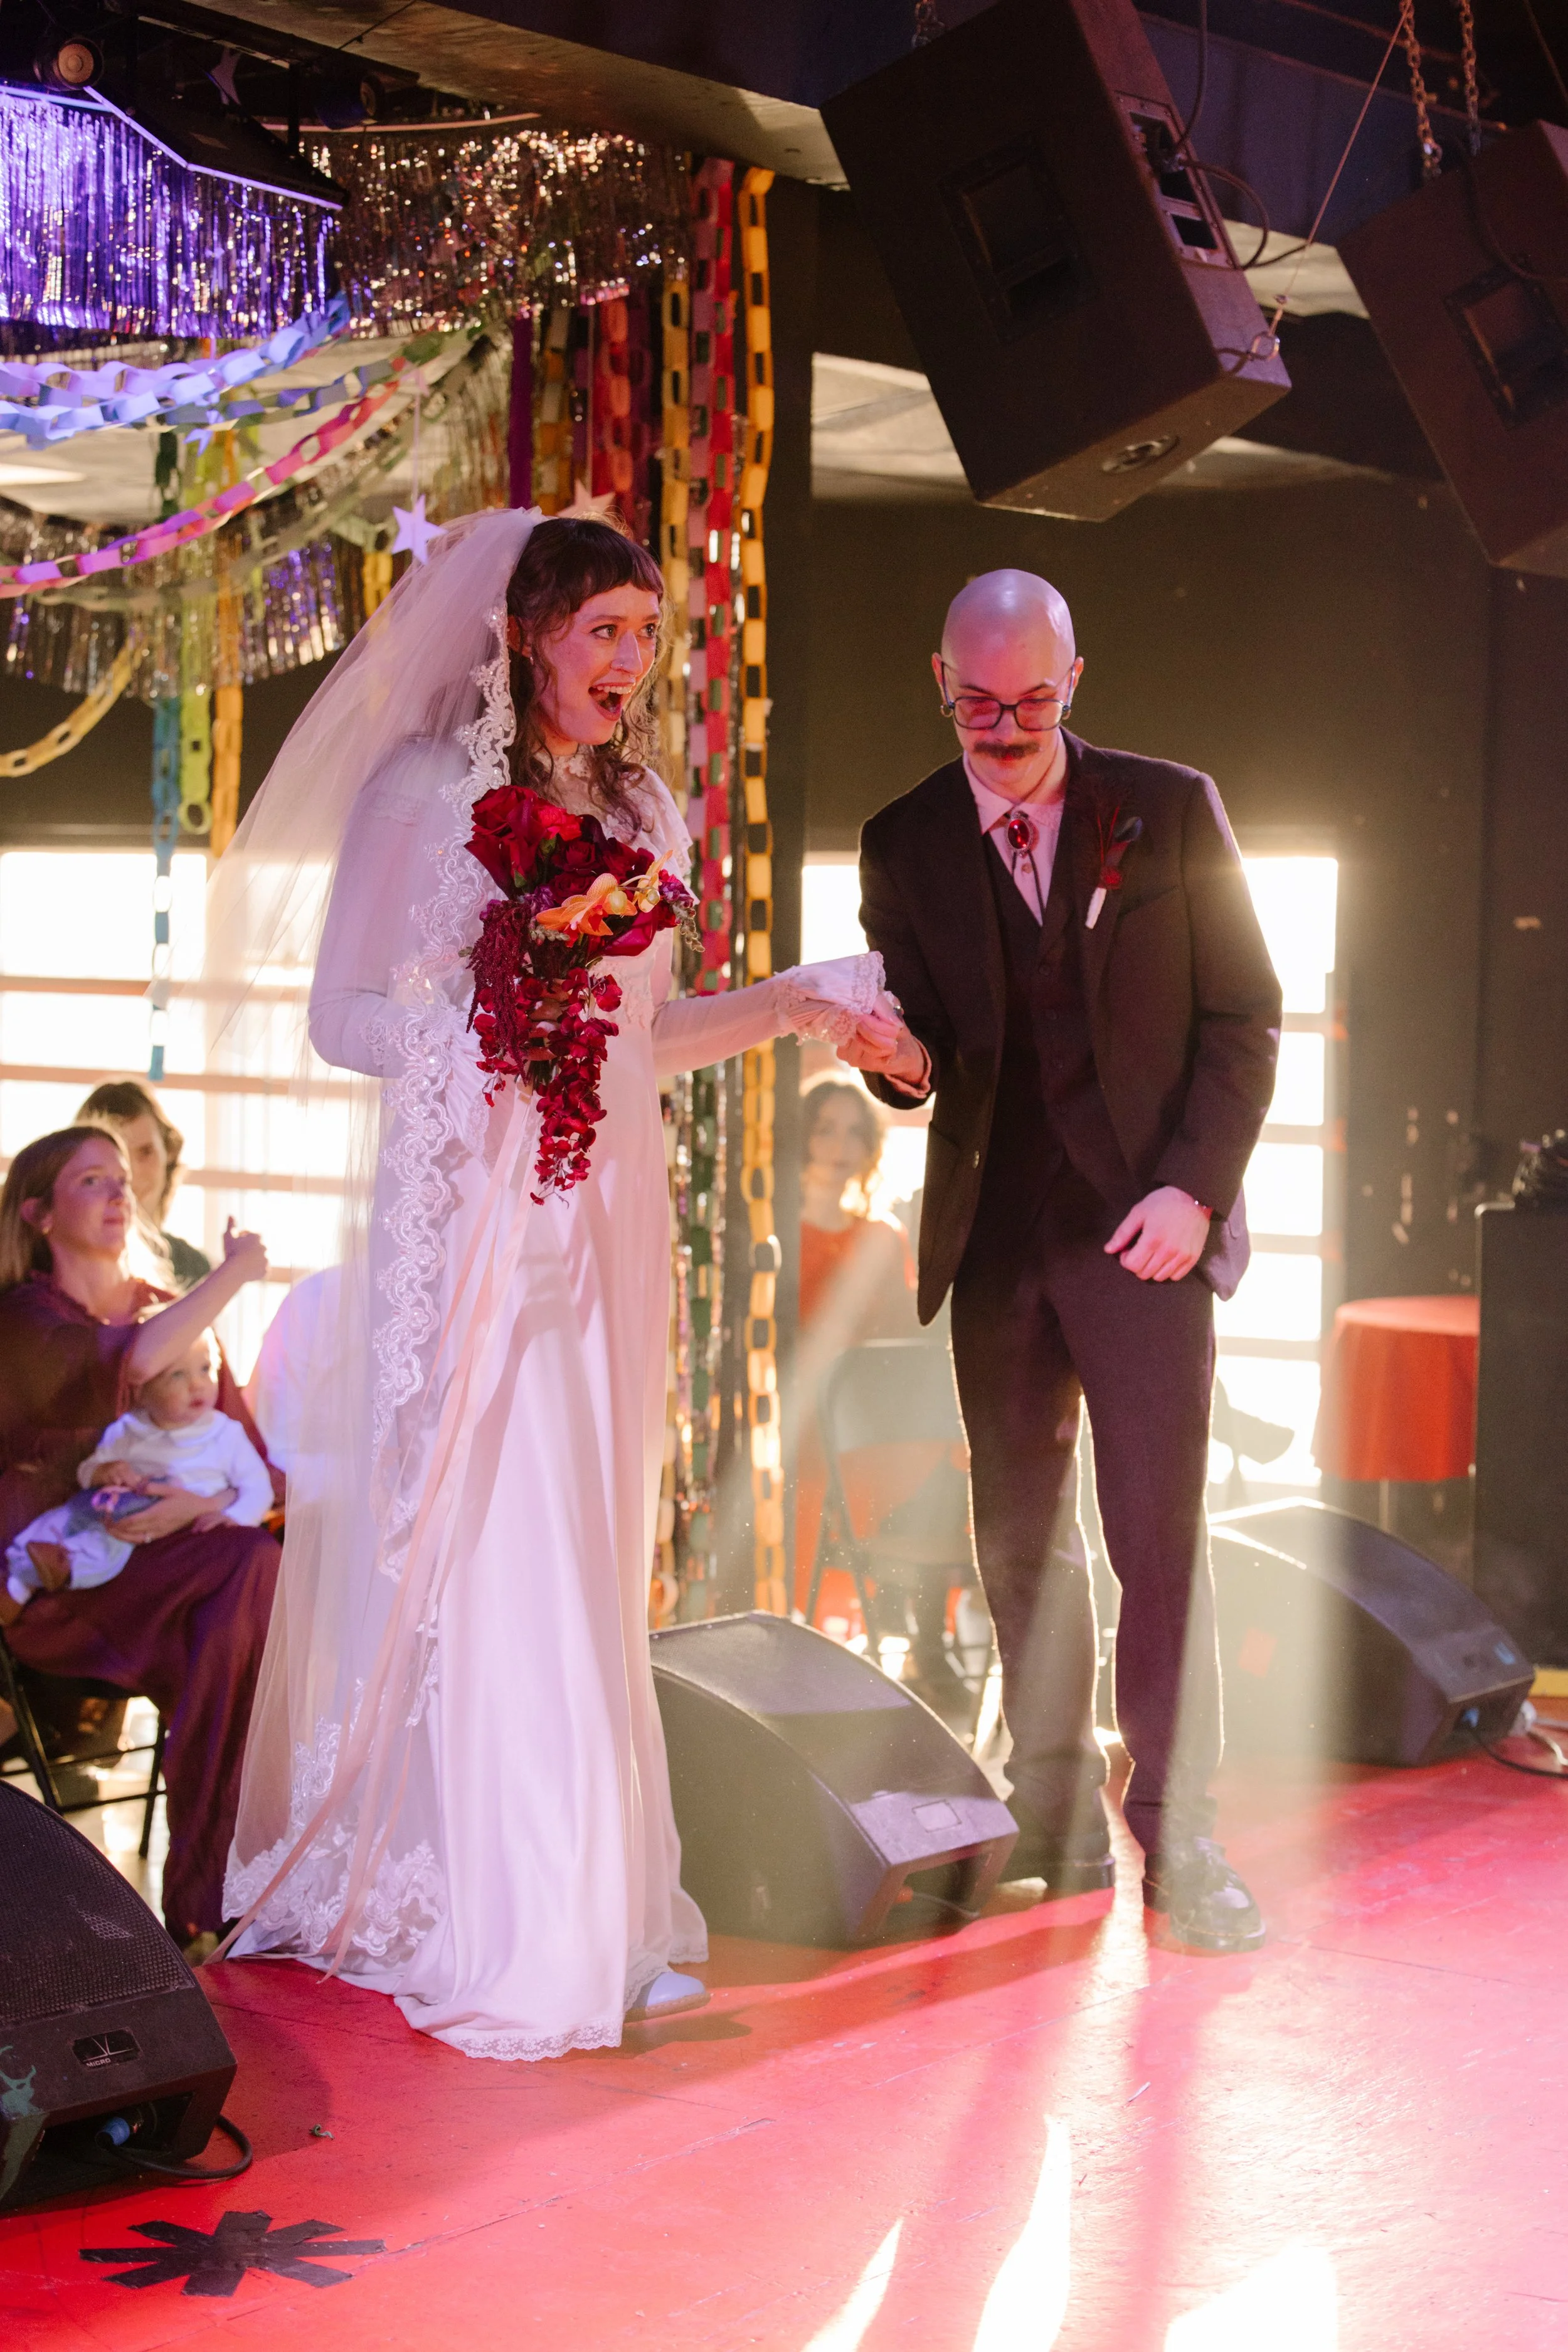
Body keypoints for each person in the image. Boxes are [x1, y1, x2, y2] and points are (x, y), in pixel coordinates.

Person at [215, 510, 898, 2058]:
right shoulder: (425, 793)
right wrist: (487, 1042)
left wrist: (794, 1004)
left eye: (645, 636)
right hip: (474, 1216)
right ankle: (519, 1909)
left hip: (603, 1208)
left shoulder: (645, 805)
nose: (627, 664)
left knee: (586, 1537)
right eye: (602, 630)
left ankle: (601, 1889)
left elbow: (644, 1035)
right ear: (526, 631)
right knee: (502, 1530)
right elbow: (343, 1015)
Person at [846, 569, 1281, 1954]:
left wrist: (1192, 1194)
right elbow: (922, 1059)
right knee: (1017, 1542)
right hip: (996, 1242)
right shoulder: (901, 841)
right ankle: (1053, 1823)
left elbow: (1245, 1018)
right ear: (939, 684)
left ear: (1072, 681)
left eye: (1029, 700)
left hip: (1144, 1230)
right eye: (978, 703)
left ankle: (1179, 1830)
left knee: (1154, 1538)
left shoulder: (1168, 805)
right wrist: (890, 1065)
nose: (1004, 725)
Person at [0, 1125, 280, 1947]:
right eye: (93, 1180)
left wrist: (189, 1509)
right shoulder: (25, 1319)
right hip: (62, 1580)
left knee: (251, 1580)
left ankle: (216, 1903)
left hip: (186, 1565)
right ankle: (210, 1904)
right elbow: (125, 1361)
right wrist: (231, 1274)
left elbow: (248, 1463)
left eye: (122, 1178)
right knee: (243, 1586)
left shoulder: (172, 1315)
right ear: (39, 1214)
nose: (121, 1191)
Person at [5, 1330, 274, 1608]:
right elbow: (88, 1469)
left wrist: (236, 1517)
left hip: (153, 1524)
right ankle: (18, 1577)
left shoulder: (225, 1434)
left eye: (205, 1369)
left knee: (109, 1545)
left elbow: (258, 1487)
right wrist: (104, 1470)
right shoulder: (127, 1430)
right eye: (177, 1375)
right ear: (141, 1393)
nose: (197, 1385)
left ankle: (62, 1568)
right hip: (107, 1502)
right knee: (60, 1517)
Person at [77, 1078, 211, 1288]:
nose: (132, 1174)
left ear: (168, 1152)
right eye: (115, 1157)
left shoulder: (194, 1268)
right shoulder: (58, 1265)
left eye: (146, 1152)